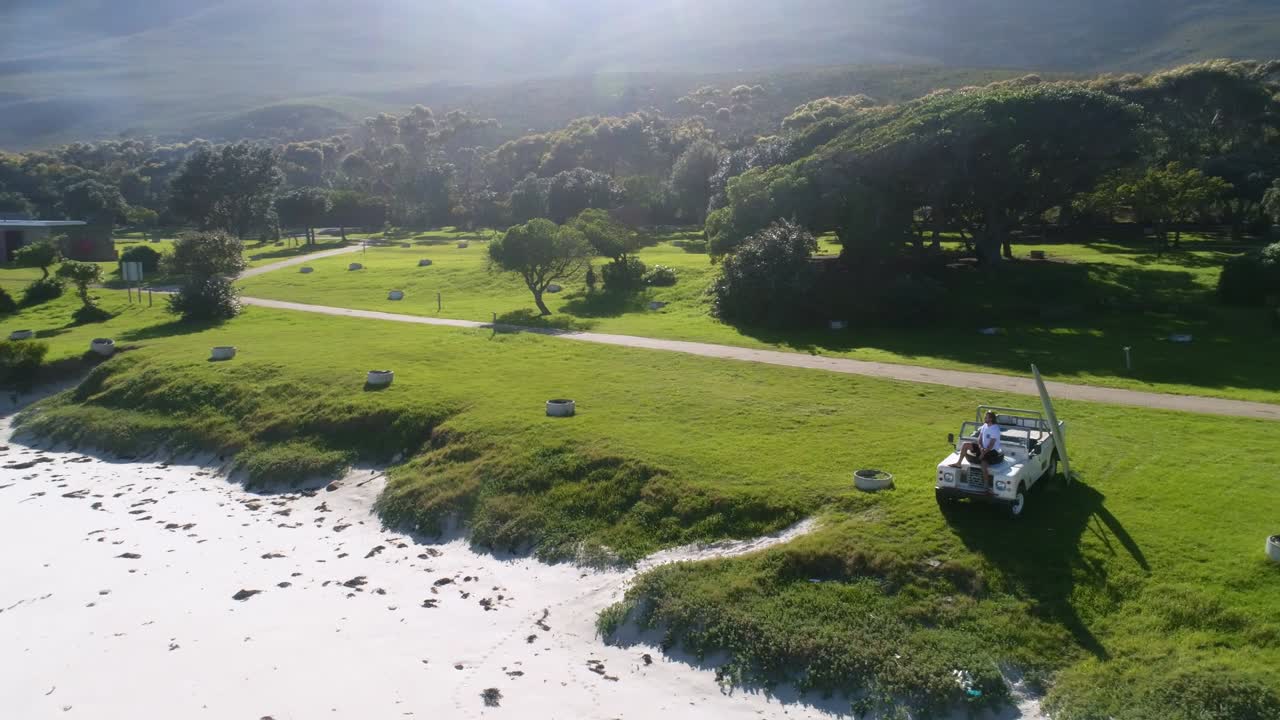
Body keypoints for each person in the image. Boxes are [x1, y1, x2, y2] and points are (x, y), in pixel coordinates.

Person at [951, 411, 1003, 484]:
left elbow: (991, 445)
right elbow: (980, 438)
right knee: (965, 444)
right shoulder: (985, 425)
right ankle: (959, 463)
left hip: (991, 451)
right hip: (983, 448)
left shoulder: (995, 429)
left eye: (986, 417)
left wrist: (983, 453)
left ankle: (986, 486)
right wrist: (981, 448)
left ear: (991, 419)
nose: (984, 418)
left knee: (983, 465)